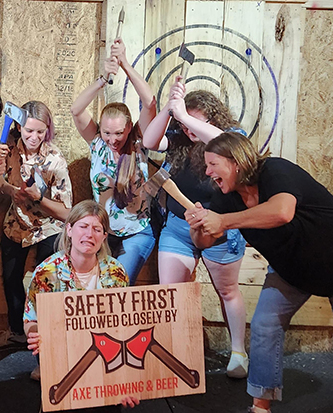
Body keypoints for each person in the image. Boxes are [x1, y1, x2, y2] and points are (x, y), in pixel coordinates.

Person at [185, 132, 333, 413]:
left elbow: (282, 212)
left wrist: (224, 221)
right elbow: (204, 241)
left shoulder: (275, 170)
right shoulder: (226, 197)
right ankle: (260, 407)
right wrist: (198, 225)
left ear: (236, 161)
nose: (207, 171)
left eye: (213, 163)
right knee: (265, 324)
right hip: (291, 269)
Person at [142, 83, 248, 378]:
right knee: (171, 292)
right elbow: (150, 141)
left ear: (214, 118)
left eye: (198, 122)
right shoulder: (179, 139)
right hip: (179, 226)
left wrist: (186, 119)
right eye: (185, 123)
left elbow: (224, 140)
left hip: (222, 226)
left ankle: (238, 351)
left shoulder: (233, 137)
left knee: (227, 290)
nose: (190, 130)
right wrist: (169, 108)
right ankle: (176, 351)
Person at [23, 200, 138, 408]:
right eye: (83, 226)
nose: (89, 234)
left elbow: (124, 327)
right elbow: (30, 319)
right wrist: (36, 334)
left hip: (106, 361)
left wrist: (126, 378)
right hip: (62, 360)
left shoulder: (116, 273)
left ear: (104, 236)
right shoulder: (47, 273)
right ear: (69, 229)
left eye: (97, 229)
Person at [0, 101, 73, 350]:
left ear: (48, 130)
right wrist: (2, 183)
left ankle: (47, 338)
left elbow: (67, 213)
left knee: (46, 283)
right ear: (19, 127)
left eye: (40, 131)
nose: (34, 137)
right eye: (29, 131)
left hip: (49, 227)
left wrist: (38, 198)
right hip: (16, 226)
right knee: (11, 279)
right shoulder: (7, 148)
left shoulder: (55, 161)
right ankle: (17, 332)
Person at [70, 38, 157, 285]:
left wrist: (126, 65)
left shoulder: (139, 141)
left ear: (129, 128)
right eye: (107, 132)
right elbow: (76, 110)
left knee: (119, 284)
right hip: (103, 234)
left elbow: (150, 103)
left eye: (119, 133)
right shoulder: (97, 143)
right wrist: (103, 78)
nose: (113, 139)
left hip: (136, 231)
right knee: (94, 287)